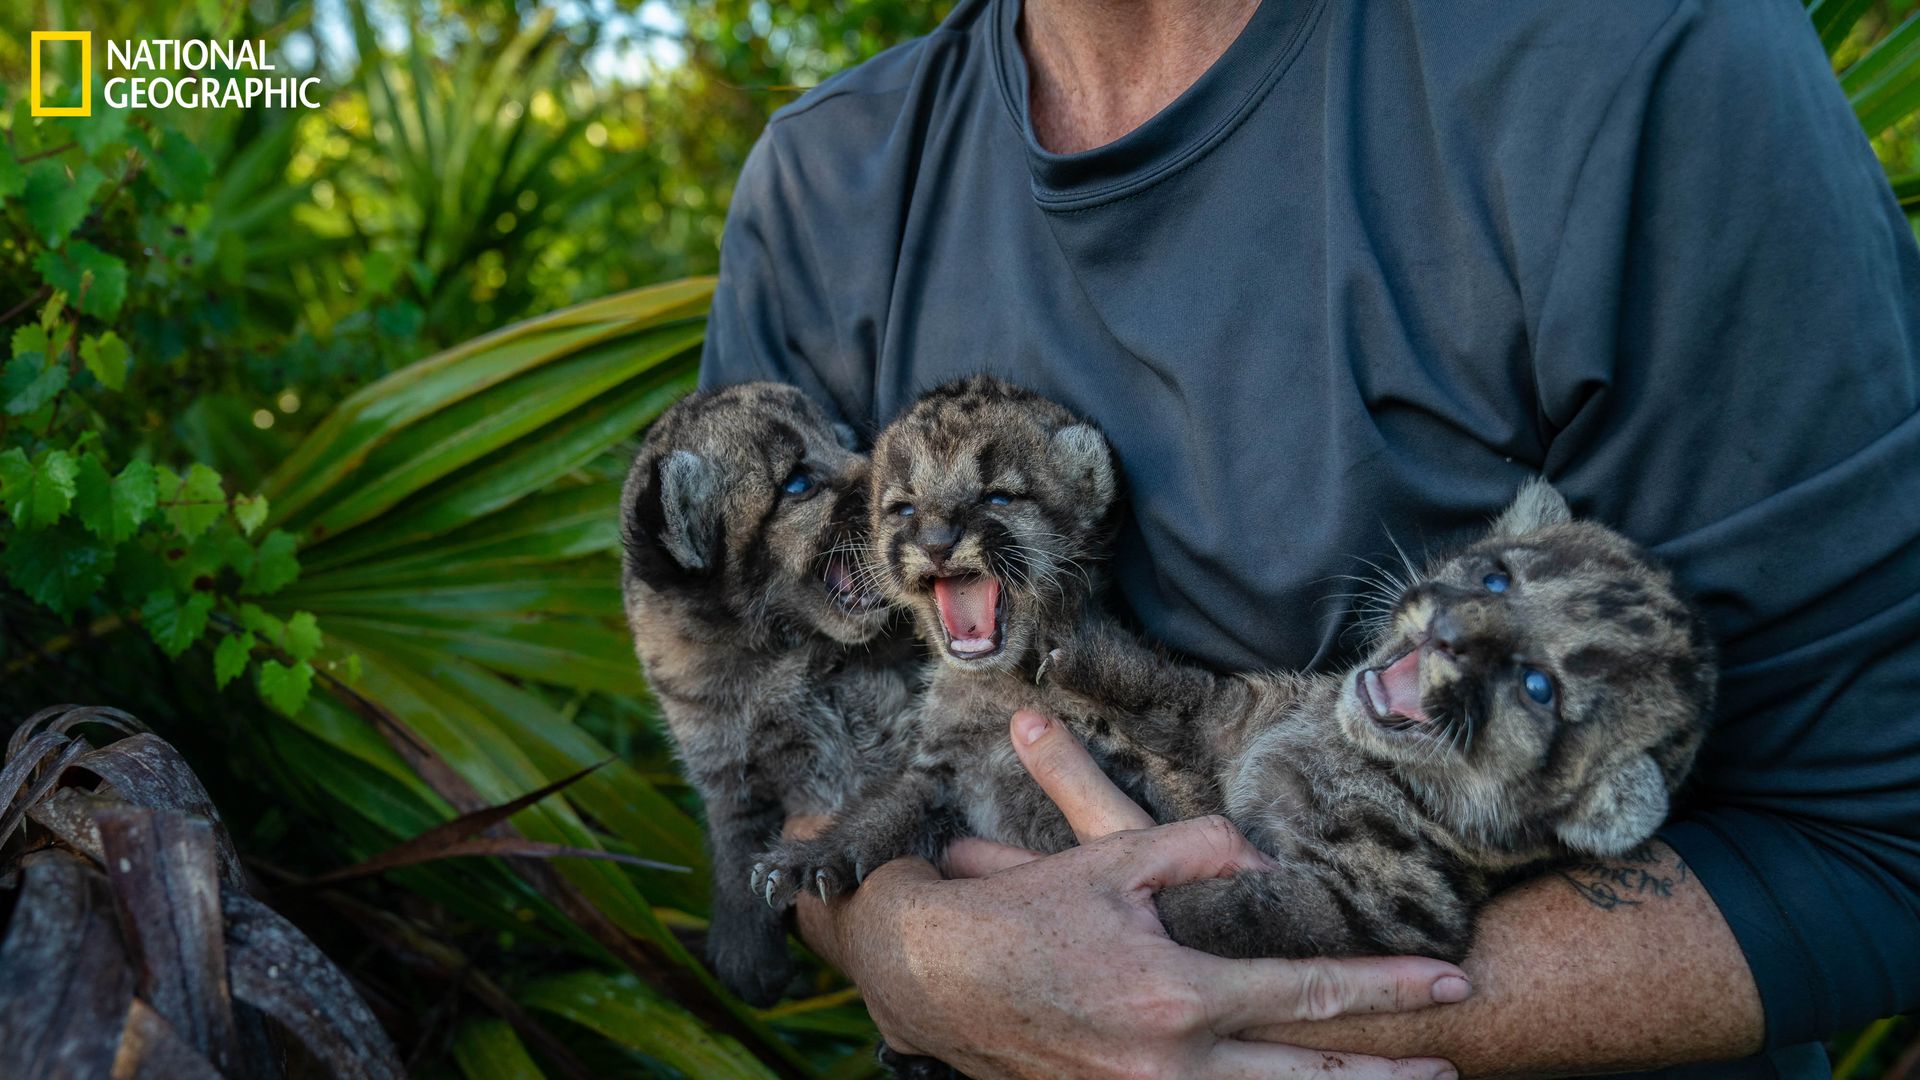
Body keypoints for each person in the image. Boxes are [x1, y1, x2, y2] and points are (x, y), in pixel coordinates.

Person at [698, 0, 1920, 1076]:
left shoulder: (1631, 53)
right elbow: (796, 757)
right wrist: (909, 951)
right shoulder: (825, 187)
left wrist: (1203, 995)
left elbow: (1874, 850)